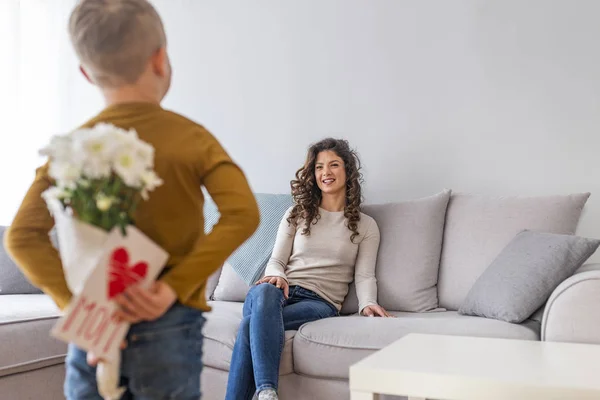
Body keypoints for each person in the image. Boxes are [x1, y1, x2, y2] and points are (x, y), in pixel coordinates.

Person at [4, 0, 260, 398]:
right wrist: (171, 287)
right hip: (171, 323)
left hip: (96, 327)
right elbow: (242, 214)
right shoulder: (192, 138)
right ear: (160, 60)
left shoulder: (73, 148)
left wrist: (76, 306)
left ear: (86, 74)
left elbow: (21, 236)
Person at [225, 138, 391, 400]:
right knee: (264, 291)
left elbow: (365, 274)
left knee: (249, 326)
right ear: (312, 175)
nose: (326, 172)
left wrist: (368, 303)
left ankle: (266, 392)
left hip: (320, 302)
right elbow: (277, 262)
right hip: (280, 292)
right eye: (319, 167)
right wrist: (277, 276)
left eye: (334, 165)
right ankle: (267, 392)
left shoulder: (365, 226)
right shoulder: (296, 214)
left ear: (347, 171)